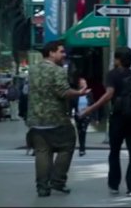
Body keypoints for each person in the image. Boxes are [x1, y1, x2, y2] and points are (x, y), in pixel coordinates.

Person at [27, 40, 91, 197]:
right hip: (56, 119)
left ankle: (42, 187)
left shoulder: (33, 70)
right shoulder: (58, 71)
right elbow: (63, 92)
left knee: (42, 152)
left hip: (36, 119)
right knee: (67, 145)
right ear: (51, 52)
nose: (64, 55)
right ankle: (58, 180)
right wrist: (79, 93)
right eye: (61, 52)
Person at [80, 47, 131, 197]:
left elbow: (109, 94)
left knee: (114, 152)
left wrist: (90, 109)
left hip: (118, 117)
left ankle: (114, 184)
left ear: (118, 59)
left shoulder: (112, 75)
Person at [71, 90, 94, 157]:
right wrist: (71, 114)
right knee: (80, 132)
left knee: (83, 131)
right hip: (78, 116)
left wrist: (95, 117)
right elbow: (73, 105)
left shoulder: (89, 95)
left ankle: (82, 149)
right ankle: (82, 148)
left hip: (86, 116)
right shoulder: (77, 95)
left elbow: (92, 104)